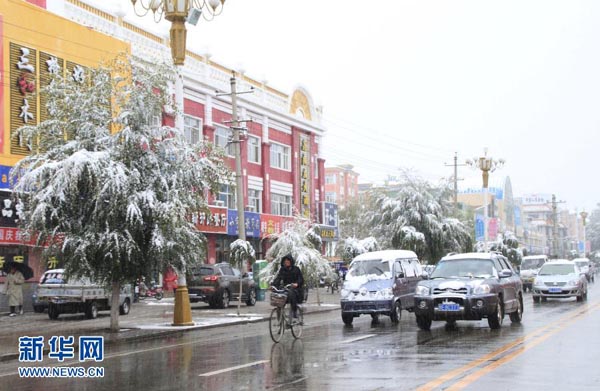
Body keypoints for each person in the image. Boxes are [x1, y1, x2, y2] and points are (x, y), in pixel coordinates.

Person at [271, 254, 304, 320]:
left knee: (291, 293)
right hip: (286, 288)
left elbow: (301, 279)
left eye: (288, 261)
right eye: (285, 261)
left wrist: (297, 284)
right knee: (278, 296)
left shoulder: (296, 269)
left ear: (291, 261)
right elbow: (278, 278)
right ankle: (279, 316)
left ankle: (294, 311)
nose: (286, 262)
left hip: (296, 289)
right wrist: (273, 285)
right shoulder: (282, 270)